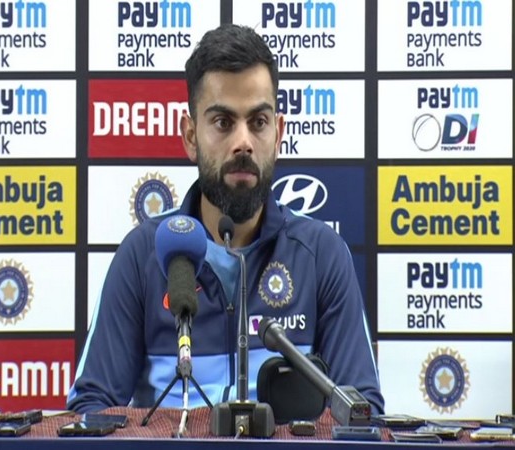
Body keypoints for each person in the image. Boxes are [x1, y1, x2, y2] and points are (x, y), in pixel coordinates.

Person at [67, 23, 384, 415]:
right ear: (190, 136)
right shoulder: (142, 255)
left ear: (278, 133)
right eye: (223, 122)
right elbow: (90, 408)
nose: (243, 142)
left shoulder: (321, 254)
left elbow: (363, 412)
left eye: (258, 122)